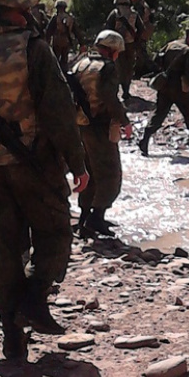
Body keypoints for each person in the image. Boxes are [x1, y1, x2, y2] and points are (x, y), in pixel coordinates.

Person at [0, 0, 89, 361]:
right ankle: (35, 297)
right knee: (55, 234)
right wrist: (77, 163)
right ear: (19, 6)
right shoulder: (33, 48)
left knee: (2, 249)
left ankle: (11, 330)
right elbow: (58, 112)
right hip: (34, 164)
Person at [72, 30, 133, 237]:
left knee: (89, 172)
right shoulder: (107, 68)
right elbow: (109, 97)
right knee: (110, 173)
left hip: (80, 126)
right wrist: (124, 121)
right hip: (99, 127)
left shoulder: (81, 63)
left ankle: (84, 217)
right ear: (113, 50)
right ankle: (96, 218)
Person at [138, 28, 189, 156]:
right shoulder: (187, 51)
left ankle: (144, 140)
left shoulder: (171, 45)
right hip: (180, 89)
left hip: (165, 87)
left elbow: (157, 59)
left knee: (159, 115)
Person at [105, 0, 145, 99]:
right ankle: (126, 90)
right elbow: (141, 28)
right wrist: (136, 40)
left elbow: (108, 29)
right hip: (130, 44)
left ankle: (120, 90)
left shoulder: (114, 14)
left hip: (117, 46)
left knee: (118, 67)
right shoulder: (134, 14)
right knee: (128, 67)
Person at [128, 0, 158, 77]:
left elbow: (139, 20)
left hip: (142, 31)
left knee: (141, 52)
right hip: (143, 30)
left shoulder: (140, 6)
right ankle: (138, 72)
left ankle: (156, 69)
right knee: (139, 52)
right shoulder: (140, 4)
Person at [45, 0, 82, 71]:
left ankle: (56, 74)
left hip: (56, 42)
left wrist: (46, 42)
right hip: (66, 42)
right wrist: (82, 43)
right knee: (64, 60)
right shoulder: (70, 18)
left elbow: (48, 31)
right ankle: (65, 73)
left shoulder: (55, 18)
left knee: (55, 60)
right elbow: (76, 31)